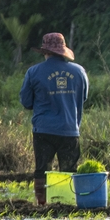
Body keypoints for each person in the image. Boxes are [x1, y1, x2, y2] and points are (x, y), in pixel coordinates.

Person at [19, 32, 89, 206]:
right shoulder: (79, 71)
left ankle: (41, 204)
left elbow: (26, 102)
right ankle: (67, 203)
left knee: (42, 169)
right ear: (63, 50)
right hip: (70, 129)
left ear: (45, 51)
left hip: (44, 130)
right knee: (69, 170)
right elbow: (84, 97)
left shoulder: (33, 72)